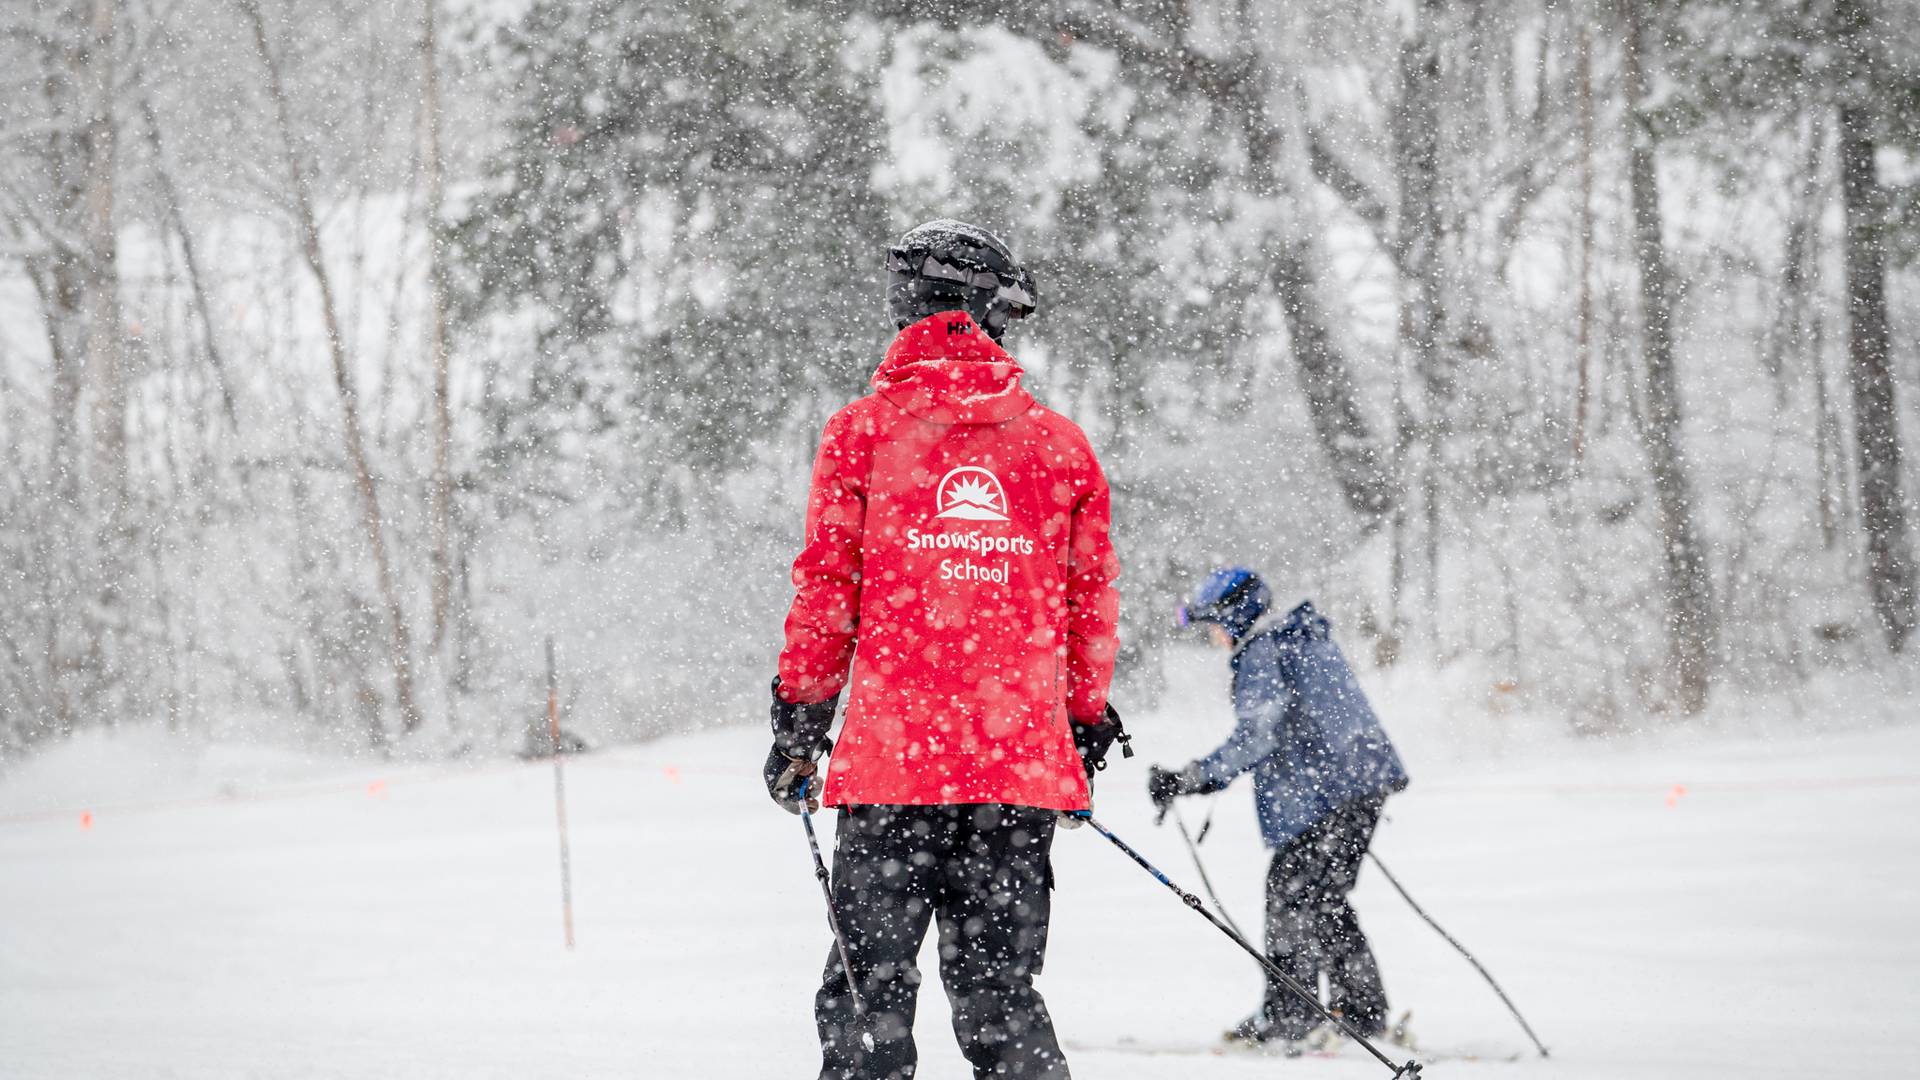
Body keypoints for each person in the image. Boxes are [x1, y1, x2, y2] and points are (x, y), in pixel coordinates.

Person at [762, 219, 1124, 1080]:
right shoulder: (1059, 446)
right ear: (992, 315)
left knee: (866, 1003)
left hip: (893, 774)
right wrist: (1078, 719)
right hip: (1013, 774)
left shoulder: (862, 434)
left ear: (910, 311)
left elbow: (825, 597)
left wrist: (800, 726)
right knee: (1002, 1002)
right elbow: (1088, 607)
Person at [1147, 568, 1408, 1050]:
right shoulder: (1298, 637)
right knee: (1321, 898)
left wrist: (1191, 777)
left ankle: (1294, 1018)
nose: (1215, 638)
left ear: (1235, 614)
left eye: (1213, 625)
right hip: (1355, 784)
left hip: (1329, 792)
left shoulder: (1264, 651)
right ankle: (1361, 1011)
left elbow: (1257, 736)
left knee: (1292, 895)